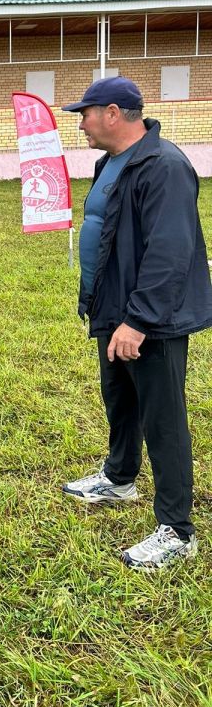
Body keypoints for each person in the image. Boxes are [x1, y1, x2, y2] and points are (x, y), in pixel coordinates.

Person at [60, 76, 212, 570]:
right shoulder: (111, 162)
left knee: (162, 418)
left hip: (151, 321)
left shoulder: (163, 165)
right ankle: (120, 478)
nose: (79, 123)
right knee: (120, 399)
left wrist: (139, 320)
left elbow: (170, 251)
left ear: (112, 113)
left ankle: (177, 529)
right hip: (113, 310)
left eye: (84, 113)